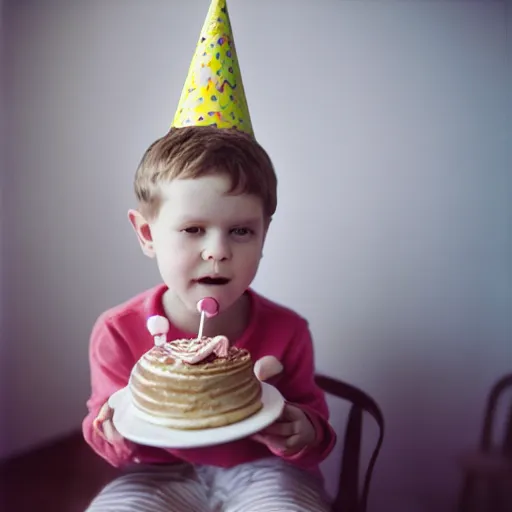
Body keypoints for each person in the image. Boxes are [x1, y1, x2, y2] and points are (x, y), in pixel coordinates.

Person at [82, 1, 336, 511]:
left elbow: (317, 429)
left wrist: (300, 429)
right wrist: (110, 427)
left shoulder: (287, 332)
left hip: (262, 472)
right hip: (158, 473)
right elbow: (108, 439)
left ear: (265, 234)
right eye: (194, 229)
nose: (217, 251)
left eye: (241, 230)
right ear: (147, 233)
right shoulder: (118, 332)